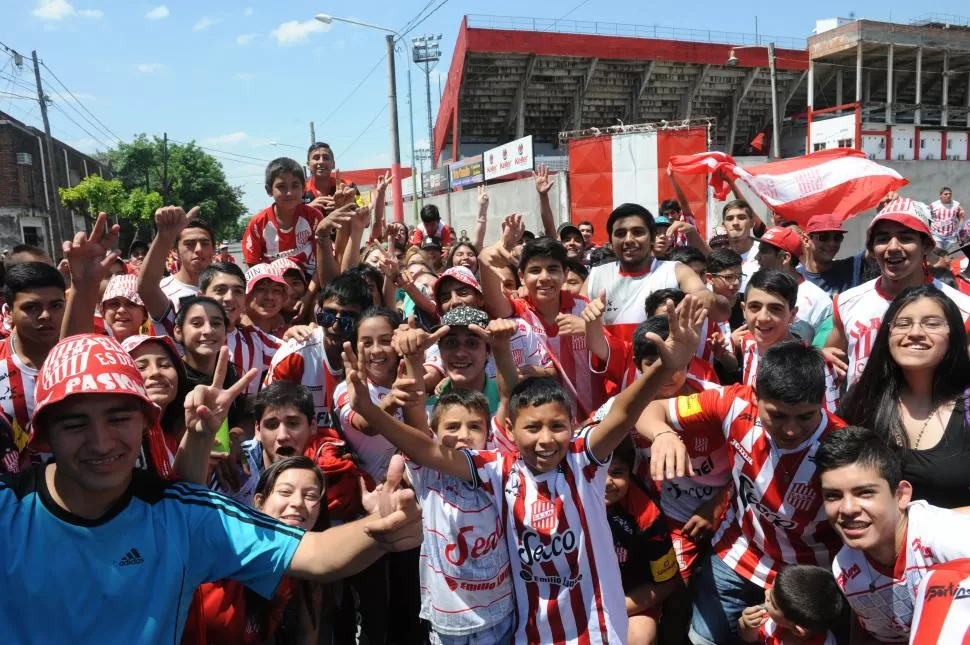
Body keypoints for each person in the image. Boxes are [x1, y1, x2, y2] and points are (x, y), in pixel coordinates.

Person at [0, 333, 423, 641]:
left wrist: (379, 529)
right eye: (75, 424)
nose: (101, 441)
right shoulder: (8, 515)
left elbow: (314, 554)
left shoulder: (180, 513)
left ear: (146, 423)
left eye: (118, 418)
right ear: (45, 435)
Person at [344, 294, 708, 644]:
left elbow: (624, 412)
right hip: (526, 634)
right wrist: (371, 409)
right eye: (532, 428)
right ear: (509, 431)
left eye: (557, 426)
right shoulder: (497, 470)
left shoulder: (584, 462)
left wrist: (664, 368)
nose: (546, 440)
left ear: (573, 427)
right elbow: (427, 449)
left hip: (597, 633)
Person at [642, 342, 845, 645]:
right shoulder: (733, 402)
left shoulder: (842, 448)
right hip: (736, 553)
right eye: (777, 415)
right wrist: (663, 434)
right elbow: (650, 408)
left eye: (805, 417)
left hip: (805, 576)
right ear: (754, 397)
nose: (791, 430)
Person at [816, 426, 970, 643]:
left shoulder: (950, 538)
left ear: (901, 495)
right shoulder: (845, 569)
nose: (847, 508)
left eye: (865, 492)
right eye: (833, 496)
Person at [838, 284, 970, 508]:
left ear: (953, 334)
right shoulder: (862, 399)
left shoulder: (966, 405)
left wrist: (919, 526)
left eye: (932, 324)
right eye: (903, 324)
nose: (915, 333)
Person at [184, 456, 333, 643]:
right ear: (259, 502)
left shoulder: (308, 570)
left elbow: (308, 633)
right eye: (285, 492)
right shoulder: (224, 545)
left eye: (310, 495)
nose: (298, 503)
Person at [824, 198, 970, 388]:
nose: (893, 247)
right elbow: (831, 358)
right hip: (860, 416)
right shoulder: (846, 303)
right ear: (871, 248)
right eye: (883, 238)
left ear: (926, 246)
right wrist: (820, 358)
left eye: (906, 237)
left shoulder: (962, 310)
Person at [480, 227, 605, 419]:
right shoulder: (516, 311)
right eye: (535, 270)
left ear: (565, 273)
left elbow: (609, 356)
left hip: (592, 425)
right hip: (541, 428)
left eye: (553, 269)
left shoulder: (584, 309)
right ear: (521, 277)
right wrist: (484, 261)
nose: (544, 277)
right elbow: (494, 304)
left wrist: (590, 331)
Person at [582, 203, 729, 344]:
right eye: (620, 234)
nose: (629, 240)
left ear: (652, 237)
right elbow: (574, 322)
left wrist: (706, 298)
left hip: (665, 368)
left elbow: (721, 311)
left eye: (637, 232)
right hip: (611, 368)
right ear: (611, 241)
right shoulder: (596, 277)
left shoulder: (676, 271)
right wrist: (586, 322)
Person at [265, 271, 373, 428]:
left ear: (364, 318)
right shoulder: (293, 355)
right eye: (328, 315)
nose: (335, 326)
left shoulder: (377, 354)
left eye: (347, 318)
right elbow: (269, 419)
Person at [605, 436, 682, 644]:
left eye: (617, 472)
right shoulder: (566, 500)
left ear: (630, 474)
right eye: (599, 470)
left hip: (628, 599)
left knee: (640, 636)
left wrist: (615, 607)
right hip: (576, 598)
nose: (606, 481)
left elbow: (667, 583)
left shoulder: (646, 515)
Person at [423, 266, 554, 387]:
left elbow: (554, 371)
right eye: (446, 298)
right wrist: (412, 355)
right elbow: (428, 375)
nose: (455, 301)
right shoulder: (441, 341)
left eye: (463, 293)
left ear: (480, 298)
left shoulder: (518, 329)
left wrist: (536, 374)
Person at [332, 307, 404, 482]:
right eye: (367, 343)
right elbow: (367, 426)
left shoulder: (415, 379)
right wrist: (394, 398)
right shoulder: (346, 389)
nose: (376, 350)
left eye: (386, 341)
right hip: (367, 496)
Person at [0, 262, 65, 452]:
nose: (46, 315)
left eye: (56, 305)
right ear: (9, 312)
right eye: (31, 307)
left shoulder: (83, 357)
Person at [121, 334, 190, 478]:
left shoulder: (179, 436)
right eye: (141, 367)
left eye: (165, 365)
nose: (155, 373)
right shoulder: (120, 439)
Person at [244, 158, 326, 273]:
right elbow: (253, 265)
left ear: (303, 189)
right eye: (281, 186)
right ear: (269, 190)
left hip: (310, 282)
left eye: (295, 185)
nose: (289, 193)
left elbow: (323, 262)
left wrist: (309, 291)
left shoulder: (314, 217)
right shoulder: (258, 223)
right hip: (273, 286)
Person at [755, 226, 834, 340]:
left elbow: (823, 349)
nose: (757, 257)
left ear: (785, 258)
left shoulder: (818, 300)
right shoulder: (755, 289)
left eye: (763, 251)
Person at [737, 565, 842, 644]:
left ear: (797, 630)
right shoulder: (770, 619)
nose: (766, 592)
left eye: (773, 603)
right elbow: (749, 638)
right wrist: (747, 626)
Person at [138, 206, 211, 318]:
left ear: (214, 249)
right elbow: (146, 288)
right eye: (189, 244)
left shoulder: (228, 288)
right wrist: (164, 236)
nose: (198, 249)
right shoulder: (163, 289)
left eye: (205, 244)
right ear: (176, 251)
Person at [798, 214, 865, 296]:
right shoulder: (794, 279)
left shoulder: (852, 268)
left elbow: (873, 246)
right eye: (824, 237)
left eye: (837, 237)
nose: (832, 243)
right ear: (806, 240)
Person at [242, 264, 289, 337]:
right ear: (245, 295)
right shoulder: (231, 330)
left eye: (276, 290)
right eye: (261, 289)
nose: (269, 297)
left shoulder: (287, 328)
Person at [929, 186, 965, 250]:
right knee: (939, 253)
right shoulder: (933, 205)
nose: (948, 195)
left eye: (950, 194)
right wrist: (930, 223)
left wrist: (960, 230)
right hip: (937, 235)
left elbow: (961, 217)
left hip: (951, 236)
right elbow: (926, 215)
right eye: (945, 194)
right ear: (940, 195)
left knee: (948, 255)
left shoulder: (956, 205)